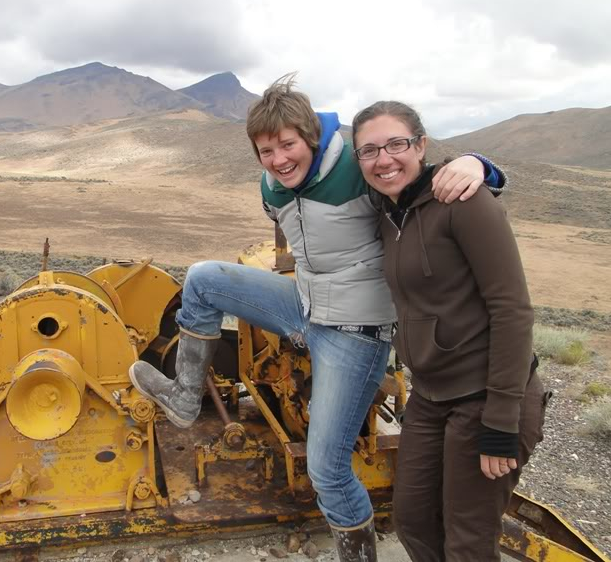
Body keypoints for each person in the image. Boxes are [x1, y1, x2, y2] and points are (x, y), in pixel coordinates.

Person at [129, 76, 504, 562]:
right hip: (303, 306)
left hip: (356, 332)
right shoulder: (273, 185)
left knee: (327, 469)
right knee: (202, 279)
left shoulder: (358, 168)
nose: (279, 159)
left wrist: (482, 167)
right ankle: (183, 397)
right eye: (267, 150)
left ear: (310, 136)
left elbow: (420, 181)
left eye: (288, 145)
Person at [351, 100, 547, 561]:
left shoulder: (463, 201)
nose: (384, 159)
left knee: (468, 537)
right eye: (369, 150)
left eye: (396, 144)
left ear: (420, 145)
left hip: (490, 397)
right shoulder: (385, 213)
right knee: (414, 520)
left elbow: (512, 309)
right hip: (430, 397)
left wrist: (500, 420)